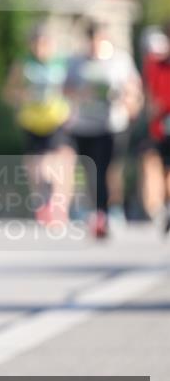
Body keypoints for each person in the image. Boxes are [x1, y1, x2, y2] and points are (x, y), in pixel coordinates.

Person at [65, 21, 143, 238]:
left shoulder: (120, 60)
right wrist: (81, 93)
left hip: (111, 125)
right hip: (83, 125)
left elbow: (134, 89)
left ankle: (109, 211)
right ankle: (94, 211)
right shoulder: (76, 61)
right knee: (89, 171)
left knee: (108, 170)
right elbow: (65, 89)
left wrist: (128, 100)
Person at [3, 24, 75, 227]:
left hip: (56, 120)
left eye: (45, 43)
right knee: (36, 169)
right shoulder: (23, 64)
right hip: (32, 122)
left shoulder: (62, 63)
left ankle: (59, 207)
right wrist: (22, 96)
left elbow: (73, 89)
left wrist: (72, 107)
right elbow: (9, 92)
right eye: (36, 43)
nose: (40, 48)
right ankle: (42, 205)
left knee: (58, 163)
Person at [142, 20, 170, 234]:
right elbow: (150, 96)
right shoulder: (154, 64)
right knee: (156, 164)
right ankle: (159, 207)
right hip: (161, 124)